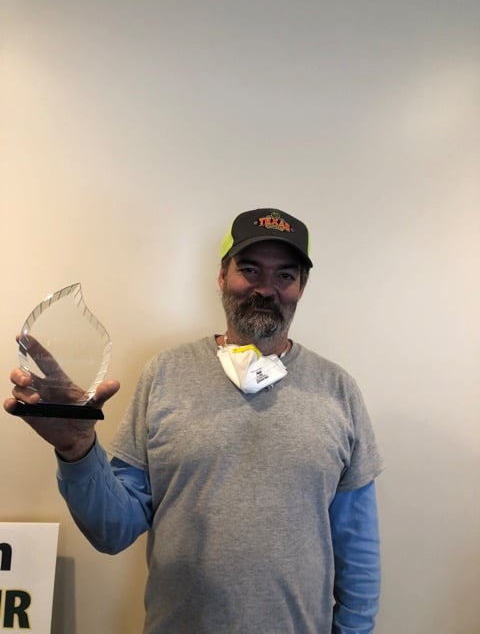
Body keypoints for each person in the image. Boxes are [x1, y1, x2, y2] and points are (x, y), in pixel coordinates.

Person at [5, 208, 383, 634]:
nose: (265, 289)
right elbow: (112, 530)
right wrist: (76, 450)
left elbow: (358, 547)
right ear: (222, 276)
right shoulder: (164, 373)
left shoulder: (338, 390)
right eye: (249, 269)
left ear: (302, 287)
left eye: (285, 275)